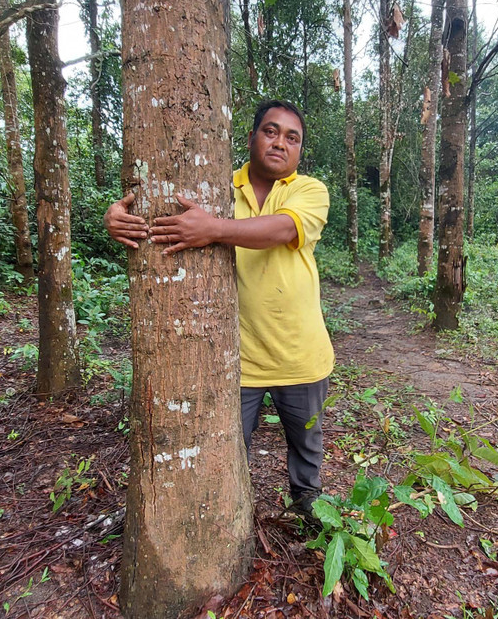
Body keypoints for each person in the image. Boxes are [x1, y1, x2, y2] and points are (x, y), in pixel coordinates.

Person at [104, 99, 334, 518]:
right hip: (235, 361)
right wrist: (116, 217)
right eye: (270, 131)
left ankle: (309, 510)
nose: (280, 142)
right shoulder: (216, 188)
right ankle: (233, 519)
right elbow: (155, 209)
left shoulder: (309, 191)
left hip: (301, 354)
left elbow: (282, 229)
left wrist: (214, 229)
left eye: (292, 137)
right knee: (228, 451)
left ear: (300, 151)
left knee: (307, 449)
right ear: (251, 137)